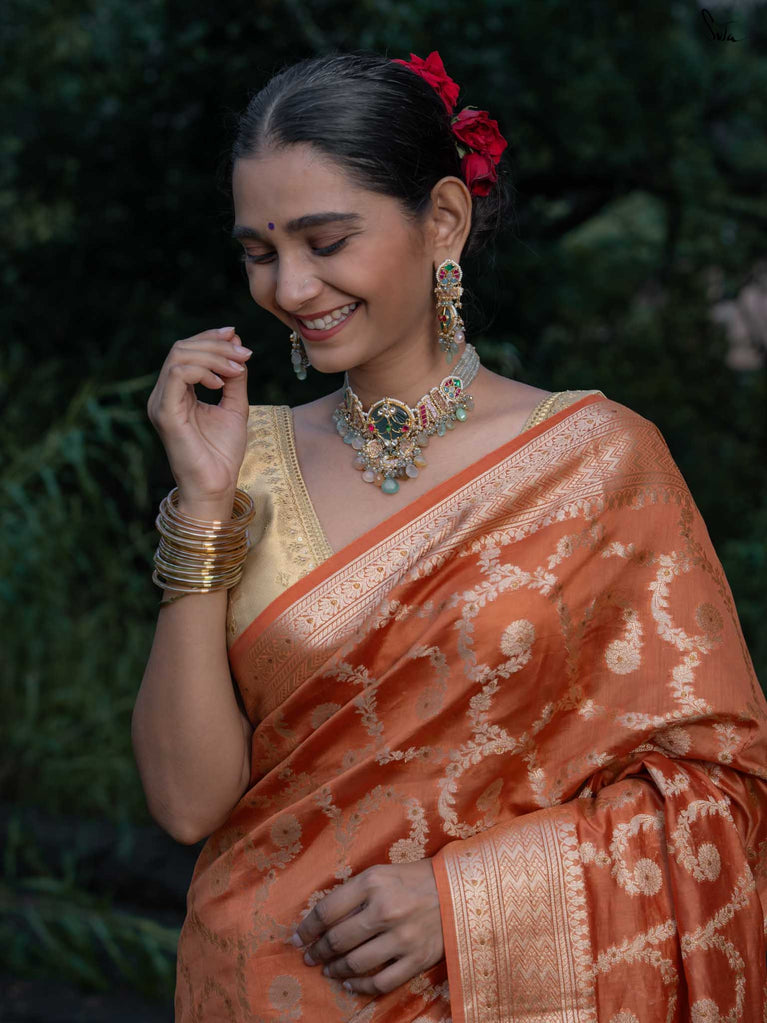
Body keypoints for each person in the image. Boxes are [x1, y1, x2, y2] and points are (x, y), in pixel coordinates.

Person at [131, 51, 767, 1022]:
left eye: (326, 241)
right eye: (259, 252)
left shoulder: (596, 462)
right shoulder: (241, 462)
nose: (290, 287)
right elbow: (186, 804)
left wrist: (466, 900)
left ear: (442, 220)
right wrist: (203, 507)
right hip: (252, 985)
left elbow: (717, 790)